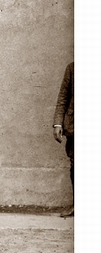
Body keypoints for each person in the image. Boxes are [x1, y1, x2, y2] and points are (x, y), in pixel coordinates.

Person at [53, 62, 74, 217]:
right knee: (76, 165)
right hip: (76, 125)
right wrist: (58, 123)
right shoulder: (73, 68)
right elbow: (63, 97)